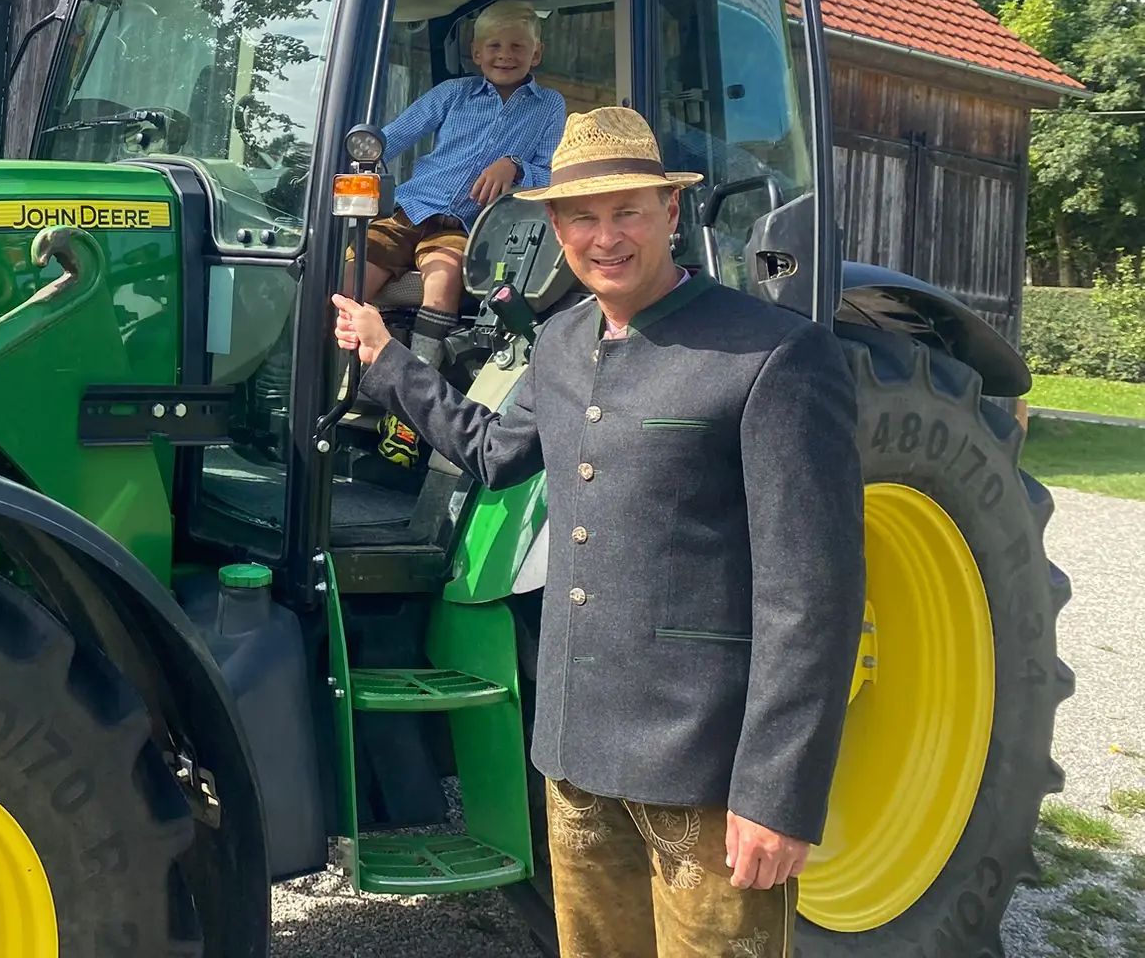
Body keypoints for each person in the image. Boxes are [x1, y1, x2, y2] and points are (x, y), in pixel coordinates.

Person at [332, 106, 864, 958]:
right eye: (581, 216)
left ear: (670, 211)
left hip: (703, 771)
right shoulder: (562, 339)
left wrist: (777, 792)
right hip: (575, 759)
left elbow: (811, 596)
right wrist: (386, 359)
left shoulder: (772, 355)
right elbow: (494, 452)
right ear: (555, 228)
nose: (605, 236)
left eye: (627, 212)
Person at [360, 0, 565, 367]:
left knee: (444, 279)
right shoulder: (453, 93)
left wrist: (515, 167)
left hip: (464, 226)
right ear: (476, 52)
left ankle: (419, 375)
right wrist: (354, 158)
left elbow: (552, 174)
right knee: (349, 279)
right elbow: (390, 139)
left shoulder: (549, 105)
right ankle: (339, 371)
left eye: (517, 46)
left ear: (537, 54)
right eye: (494, 45)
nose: (505, 55)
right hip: (409, 210)